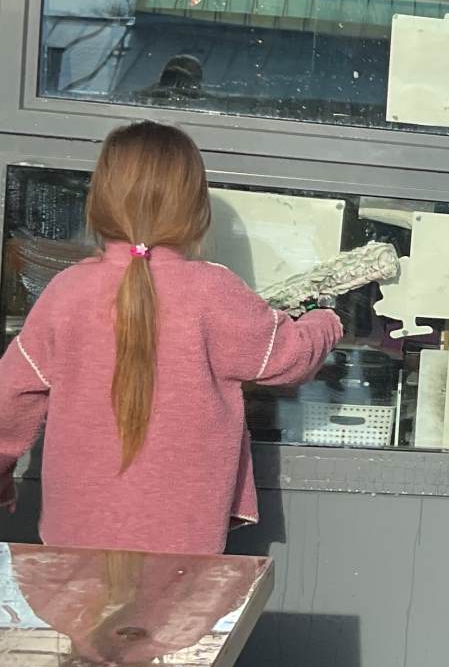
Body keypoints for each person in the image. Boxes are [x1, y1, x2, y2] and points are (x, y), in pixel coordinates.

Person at [0, 121, 340, 555]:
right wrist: (326, 319)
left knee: (83, 603)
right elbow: (290, 357)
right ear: (195, 208)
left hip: (75, 536)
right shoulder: (213, 290)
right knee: (179, 605)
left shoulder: (67, 291)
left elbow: (10, 397)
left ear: (98, 201)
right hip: (185, 540)